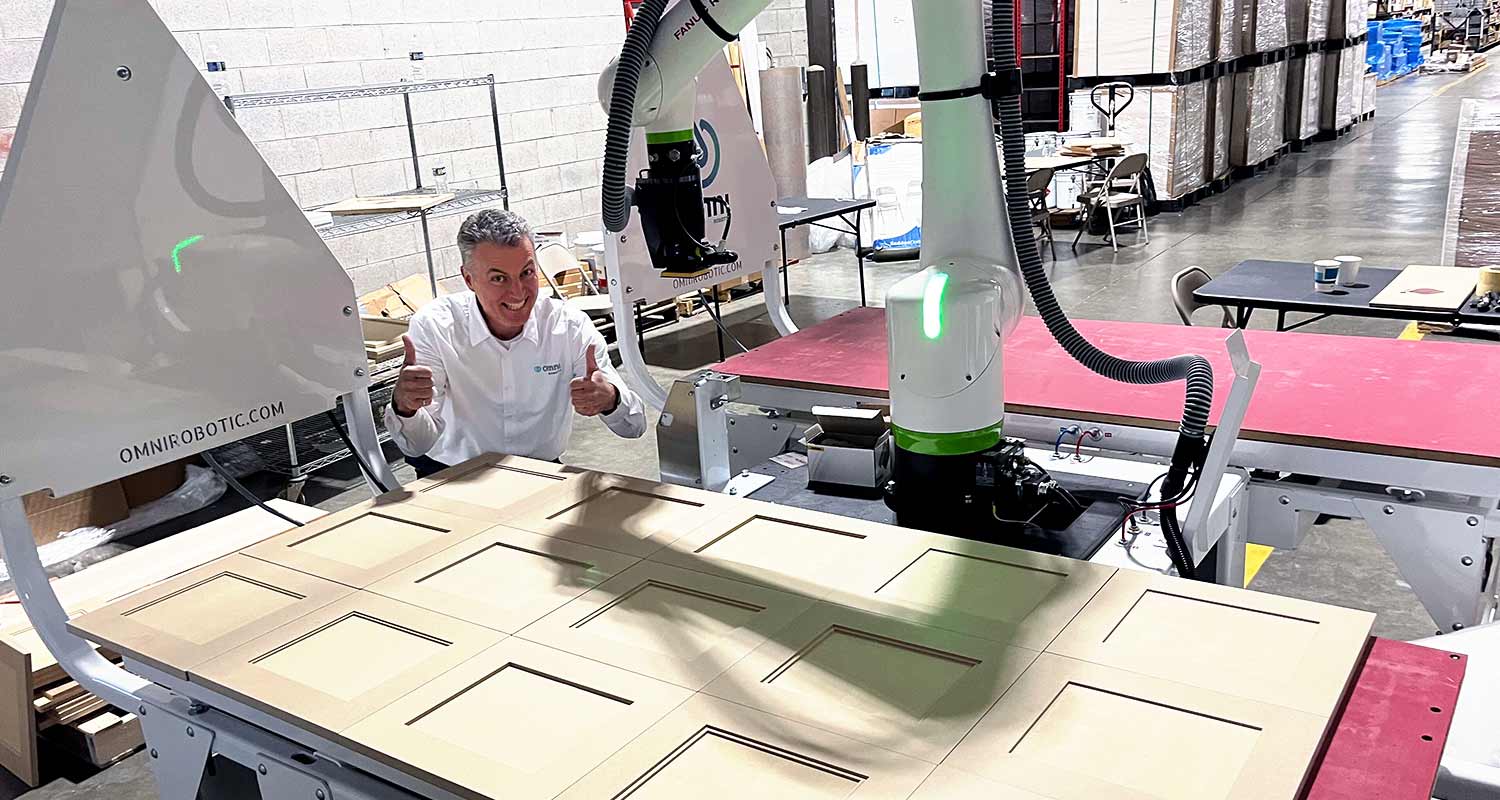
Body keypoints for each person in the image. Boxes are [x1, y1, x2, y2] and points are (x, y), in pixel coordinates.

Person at [385, 209, 645, 477]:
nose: (518, 292)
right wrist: (405, 407)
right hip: (454, 474)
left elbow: (634, 425)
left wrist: (610, 398)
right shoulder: (436, 327)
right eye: (499, 278)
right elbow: (417, 444)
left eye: (526, 273)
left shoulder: (569, 327)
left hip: (541, 473)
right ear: (469, 279)